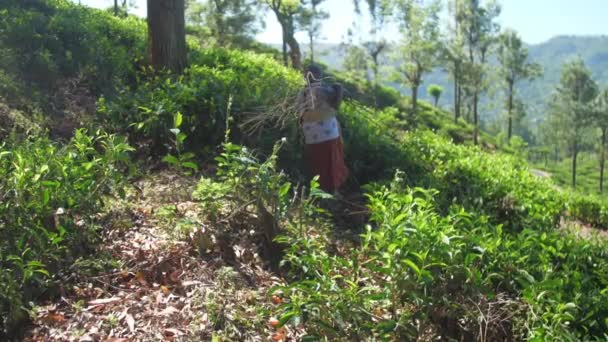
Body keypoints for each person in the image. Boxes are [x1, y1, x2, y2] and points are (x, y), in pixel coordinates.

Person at [297, 65, 349, 196]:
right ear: (319, 76)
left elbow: (299, 114)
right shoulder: (327, 90)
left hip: (310, 133)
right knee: (332, 160)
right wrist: (339, 90)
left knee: (317, 160)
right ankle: (333, 191)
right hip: (328, 131)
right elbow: (335, 107)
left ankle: (319, 192)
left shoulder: (302, 92)